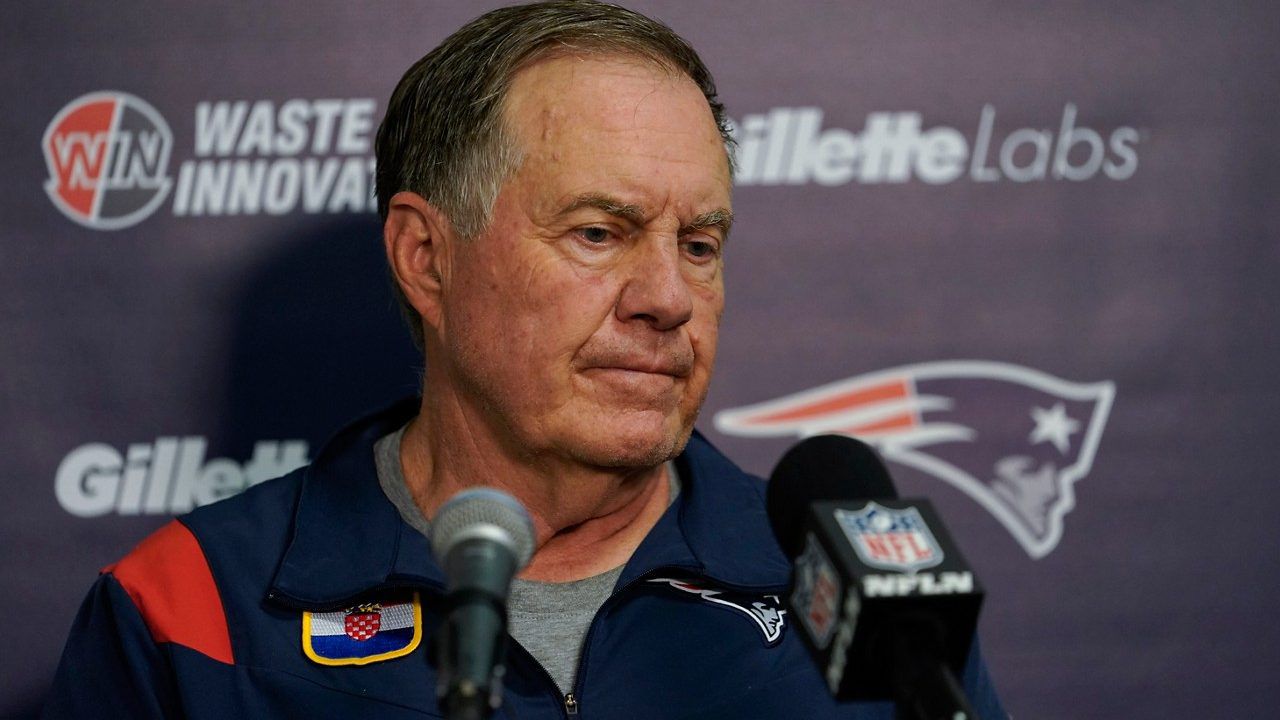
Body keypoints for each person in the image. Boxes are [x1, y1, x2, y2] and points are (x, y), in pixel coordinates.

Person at [44, 2, 1004, 718]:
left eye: (700, 245)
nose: (668, 297)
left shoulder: (860, 601)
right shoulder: (188, 610)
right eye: (599, 232)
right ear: (428, 257)